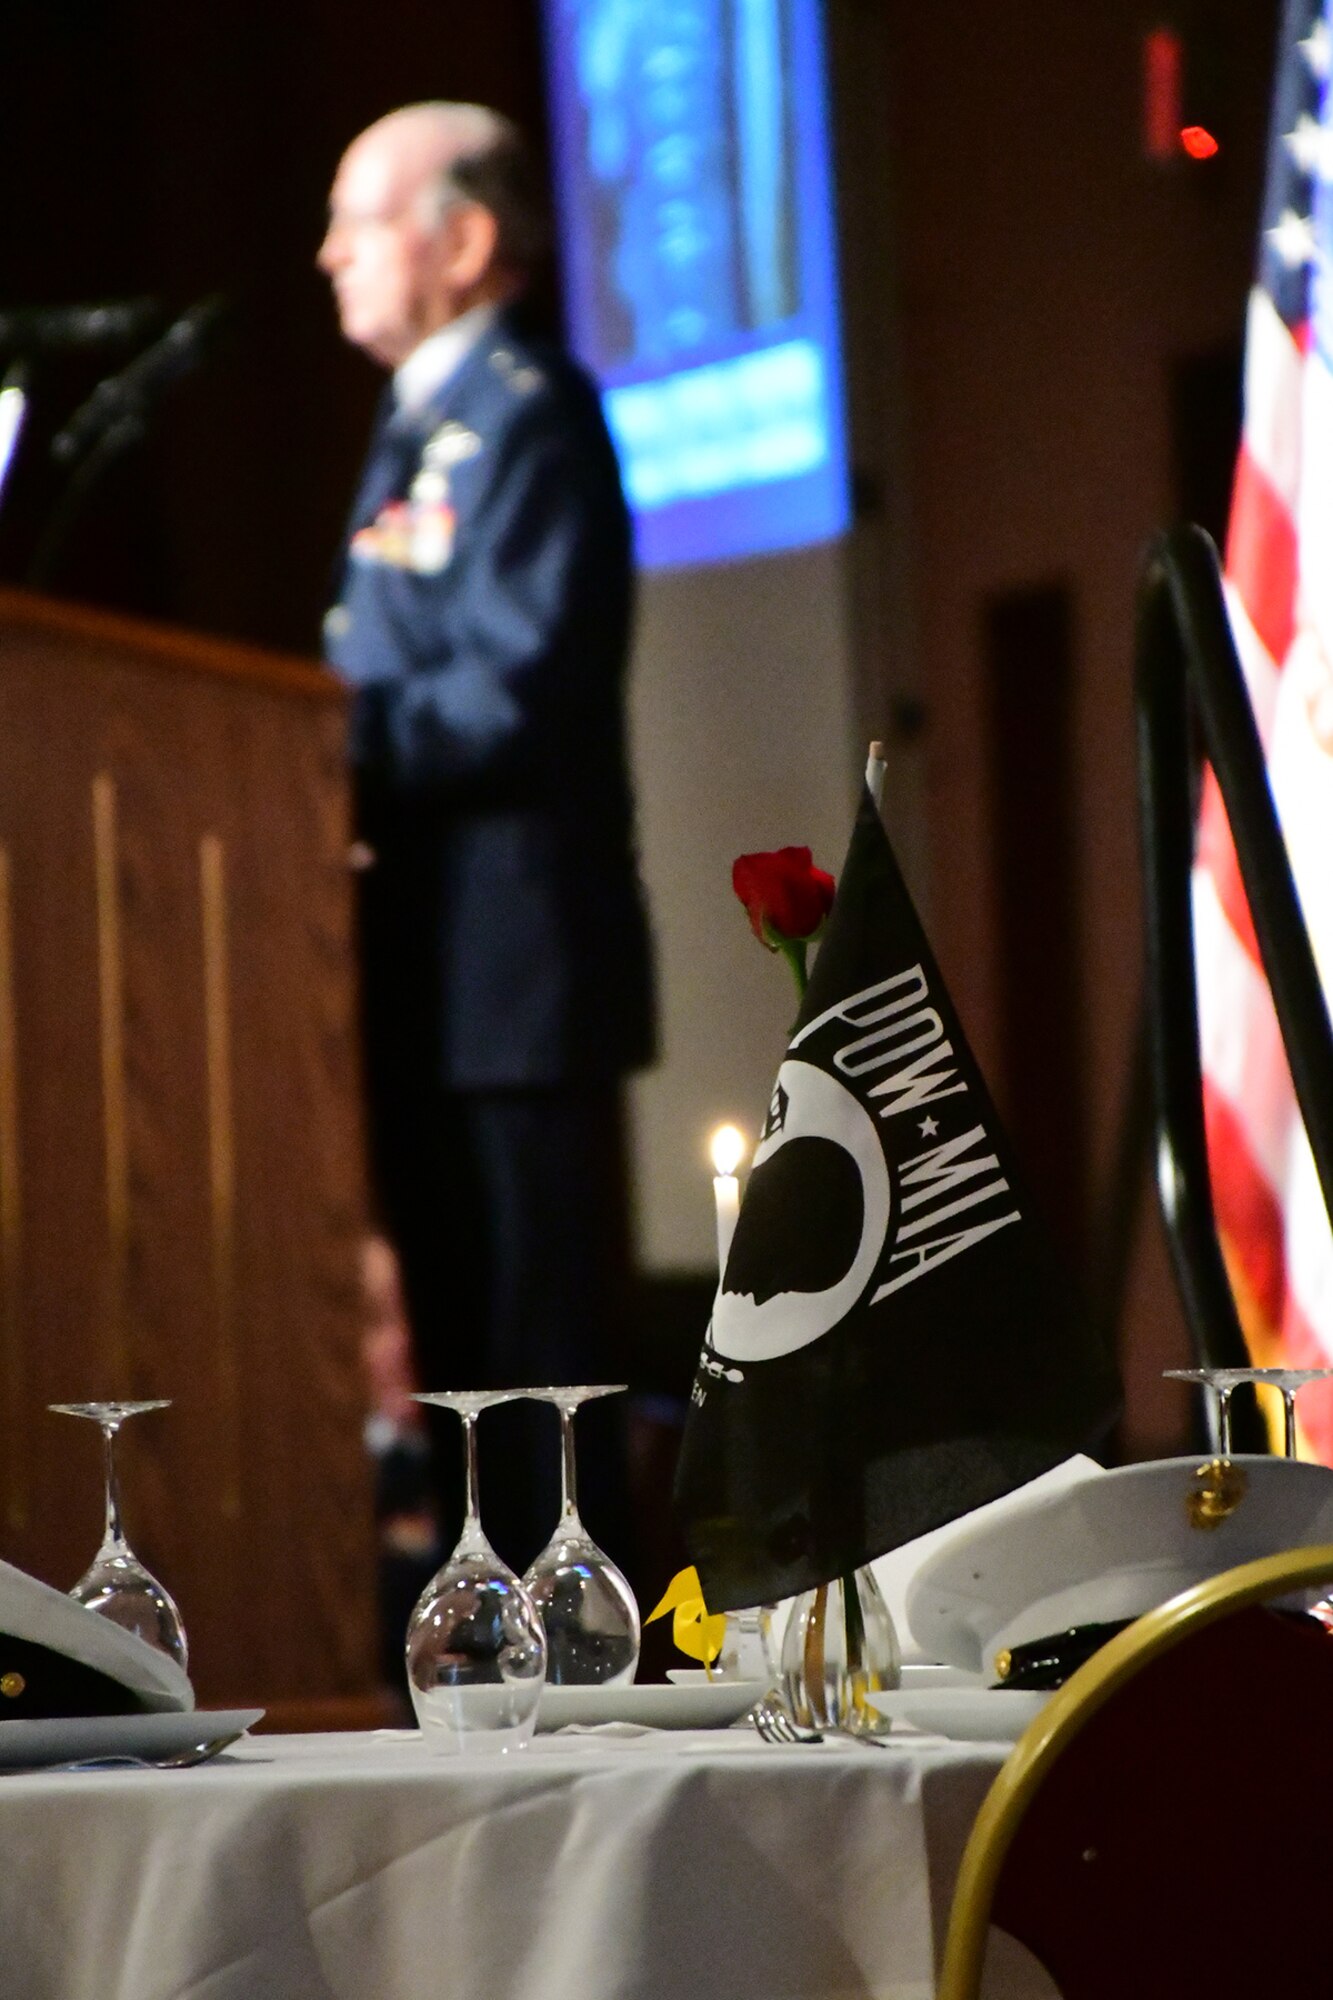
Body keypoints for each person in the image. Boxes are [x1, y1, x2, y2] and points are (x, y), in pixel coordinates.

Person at [318, 103, 654, 1573]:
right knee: (464, 1381)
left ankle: (580, 1685)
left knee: (536, 1381)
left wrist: (321, 749)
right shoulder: (424, 424)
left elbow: (520, 682)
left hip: (513, 977)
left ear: (461, 240)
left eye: (360, 218)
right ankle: (494, 1659)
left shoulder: (530, 412)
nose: (327, 251)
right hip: (425, 966)